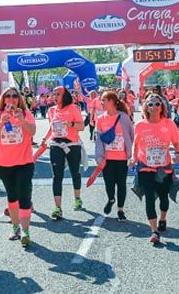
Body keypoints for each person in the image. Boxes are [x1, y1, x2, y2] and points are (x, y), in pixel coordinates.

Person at [0, 87, 37, 246]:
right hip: (4, 164)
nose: (11, 99)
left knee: (24, 197)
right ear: (3, 99)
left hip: (24, 162)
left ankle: (25, 230)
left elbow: (32, 132)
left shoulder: (26, 113)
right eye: (8, 96)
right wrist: (2, 122)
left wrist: (22, 120)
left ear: (19, 99)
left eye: (14, 96)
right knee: (12, 196)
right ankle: (15, 226)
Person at [133, 94, 179, 244]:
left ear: (162, 107)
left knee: (163, 197)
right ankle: (154, 231)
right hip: (145, 166)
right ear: (145, 107)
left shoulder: (169, 124)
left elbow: (176, 143)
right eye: (150, 104)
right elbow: (136, 145)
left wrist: (178, 154)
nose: (153, 107)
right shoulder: (140, 125)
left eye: (156, 104)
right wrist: (132, 158)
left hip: (164, 167)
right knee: (149, 197)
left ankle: (163, 218)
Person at [94, 91, 135, 220]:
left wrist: (132, 155)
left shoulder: (124, 117)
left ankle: (120, 210)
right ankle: (111, 199)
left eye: (103, 100)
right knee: (109, 183)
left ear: (111, 101)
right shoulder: (100, 119)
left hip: (122, 158)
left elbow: (131, 135)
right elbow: (98, 139)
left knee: (121, 184)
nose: (101, 103)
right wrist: (99, 157)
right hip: (108, 158)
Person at [47, 86, 86, 219]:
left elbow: (81, 126)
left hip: (72, 144)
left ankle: (77, 198)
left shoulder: (73, 108)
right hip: (56, 144)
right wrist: (44, 139)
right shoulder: (51, 111)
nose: (54, 96)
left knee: (75, 172)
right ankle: (58, 207)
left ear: (64, 95)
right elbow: (50, 128)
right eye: (53, 94)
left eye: (57, 94)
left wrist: (71, 125)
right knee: (56, 176)